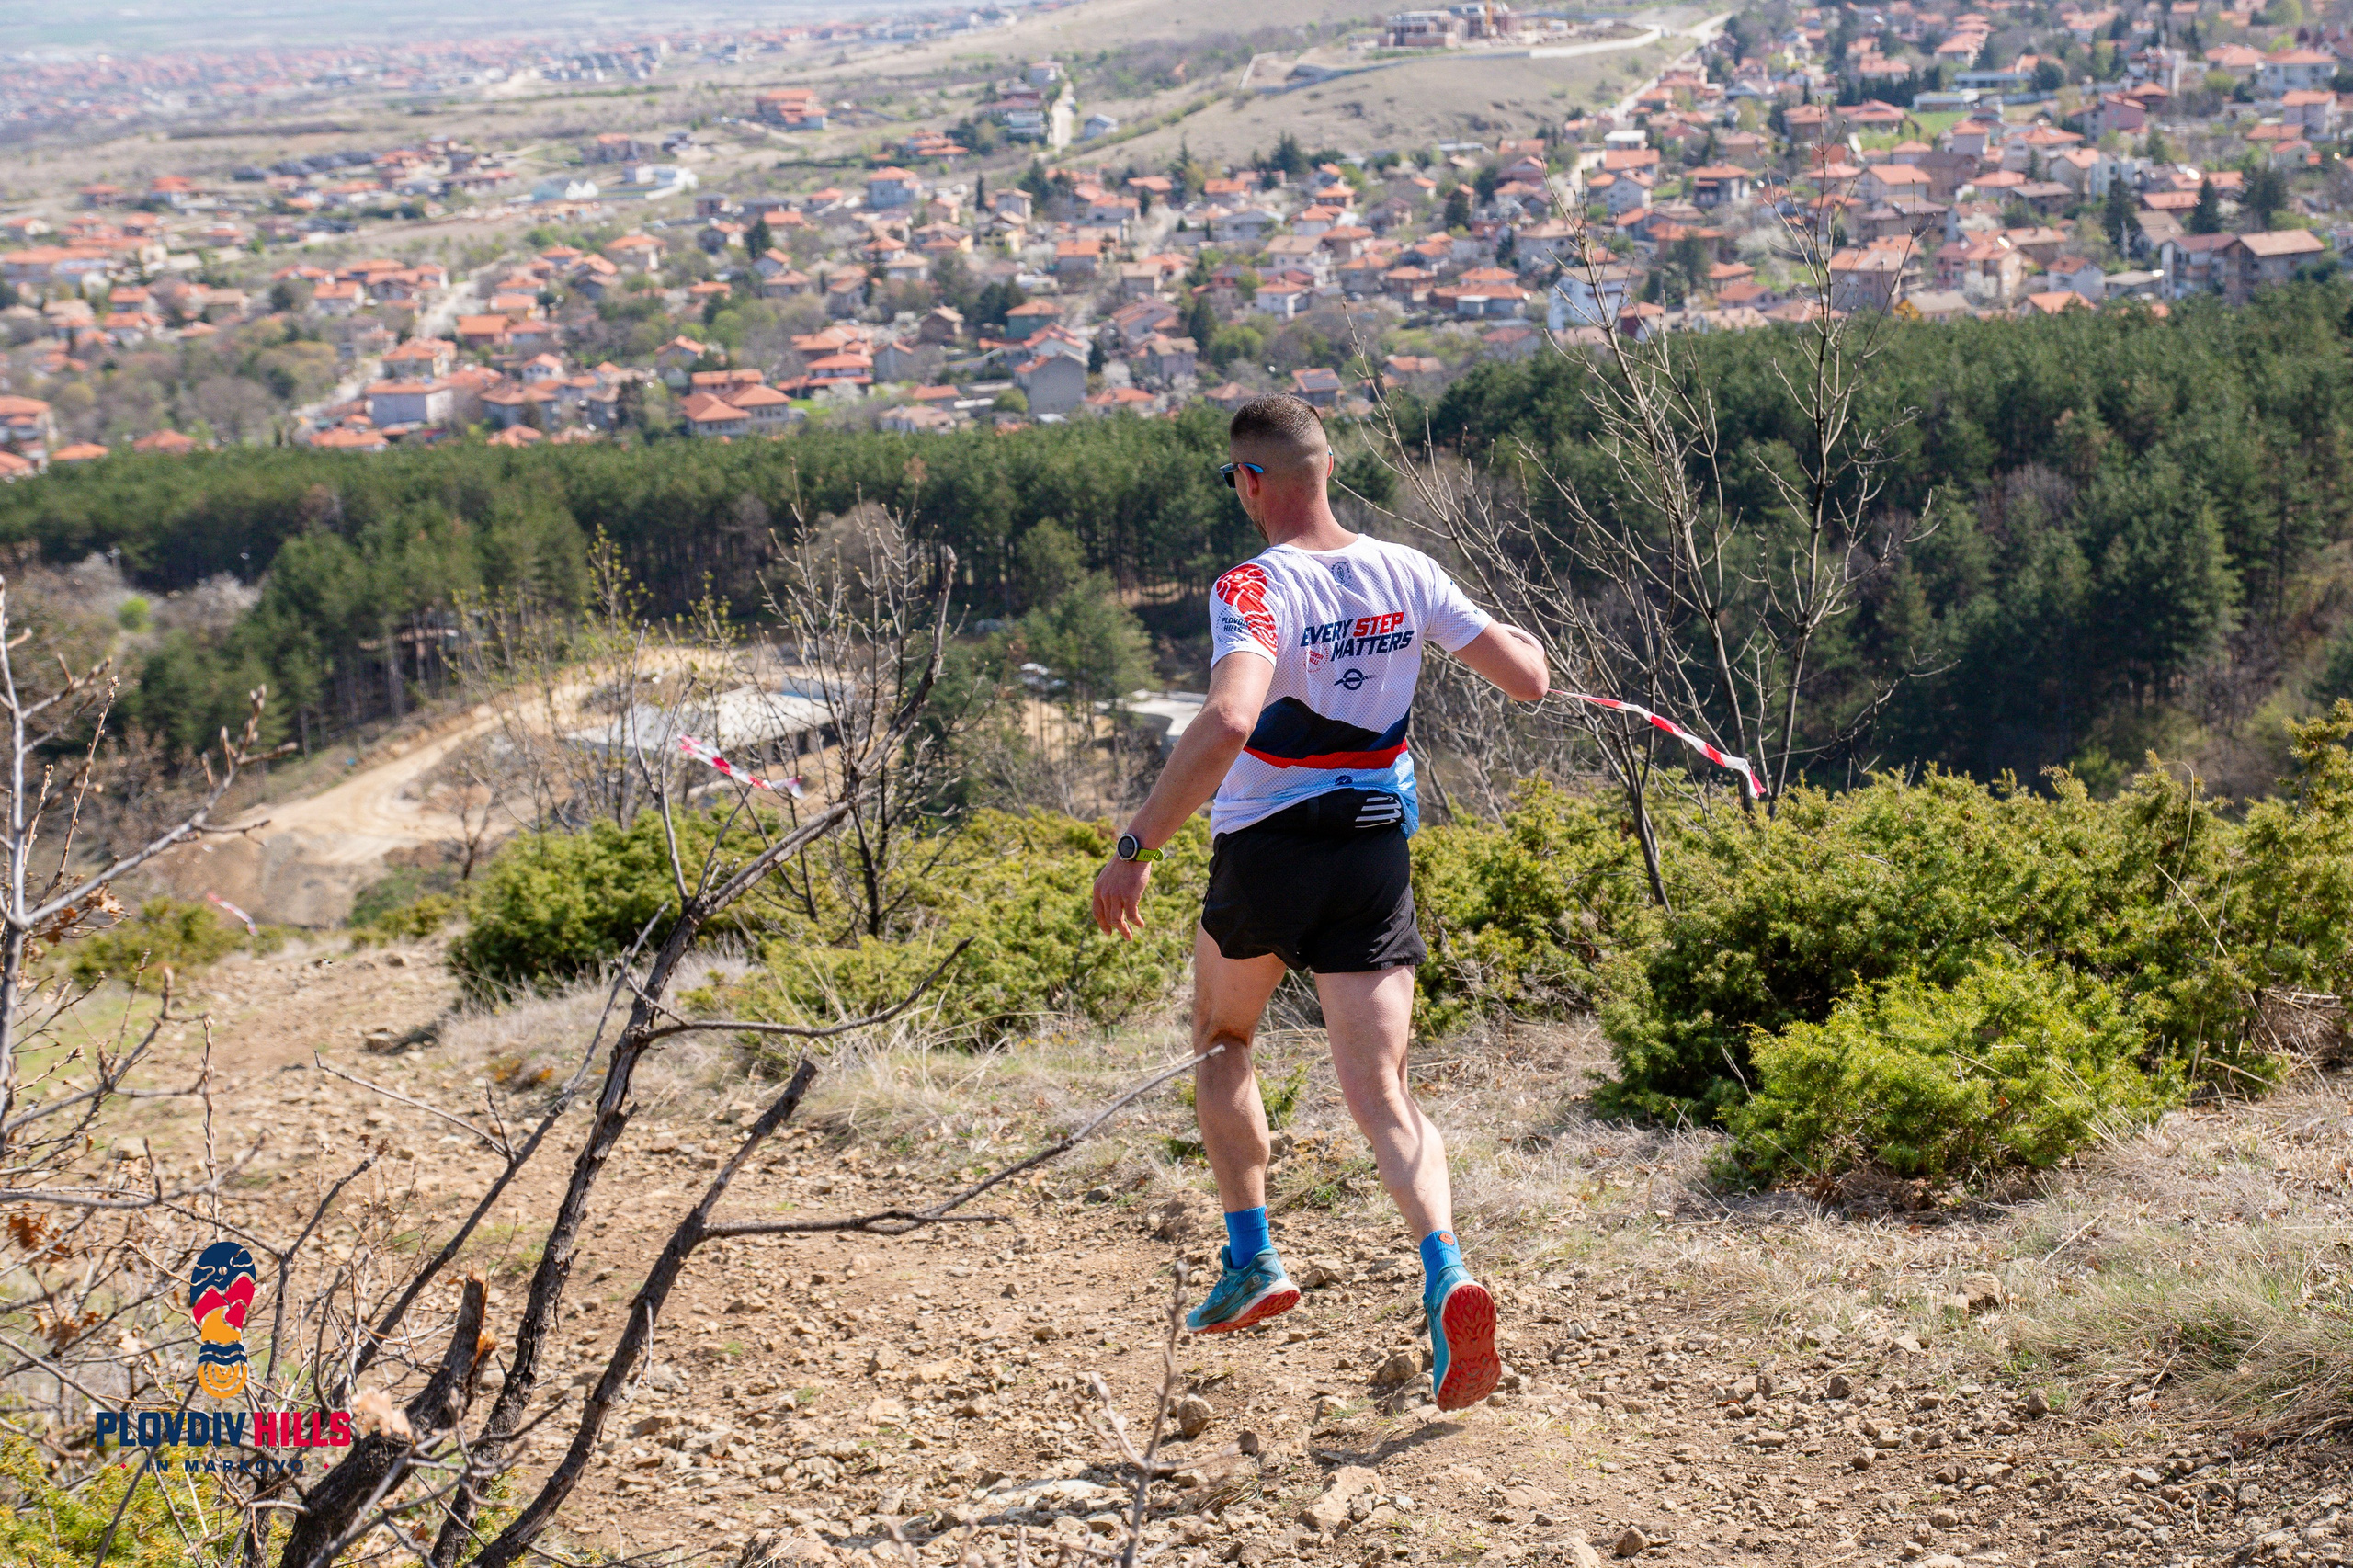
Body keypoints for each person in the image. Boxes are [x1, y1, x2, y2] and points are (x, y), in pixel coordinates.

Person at [1090, 394, 1549, 1412]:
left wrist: (1135, 846)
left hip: (1270, 846)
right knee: (1382, 1090)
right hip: (1372, 847)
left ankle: (1253, 1256)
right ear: (1328, 467)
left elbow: (1229, 720)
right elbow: (1526, 678)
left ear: (1251, 481)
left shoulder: (1254, 584)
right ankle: (1445, 1271)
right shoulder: (1408, 570)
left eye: (1235, 478)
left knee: (1222, 1038)